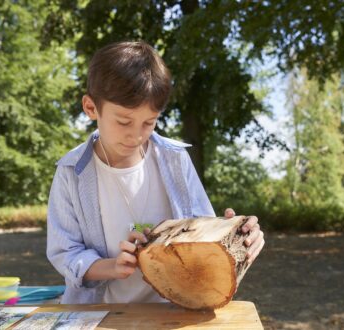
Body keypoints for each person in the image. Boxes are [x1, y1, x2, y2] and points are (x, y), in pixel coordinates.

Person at [46, 40, 265, 304]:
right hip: (98, 315)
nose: (136, 135)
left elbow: (202, 231)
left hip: (170, 313)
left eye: (148, 122)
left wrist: (232, 232)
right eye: (124, 121)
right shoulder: (71, 172)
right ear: (91, 108)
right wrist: (112, 266)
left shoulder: (175, 160)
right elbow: (65, 253)